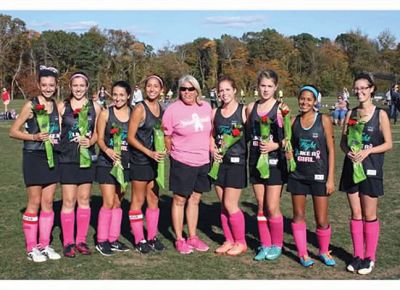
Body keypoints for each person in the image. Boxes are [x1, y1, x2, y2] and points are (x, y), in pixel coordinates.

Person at [339, 73, 392, 275]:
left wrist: (367, 151)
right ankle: (358, 256)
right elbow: (343, 142)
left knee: (369, 215)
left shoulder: (381, 114)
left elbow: (388, 144)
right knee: (355, 214)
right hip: (351, 168)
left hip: (371, 169)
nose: (359, 92)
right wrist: (349, 152)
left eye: (363, 88)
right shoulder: (350, 113)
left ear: (371, 89)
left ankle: (370, 258)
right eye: (357, 88)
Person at [9, 65, 62, 262]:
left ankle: (44, 244)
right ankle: (32, 248)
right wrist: (34, 136)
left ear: (56, 86)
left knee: (48, 203)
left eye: (51, 85)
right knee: (34, 202)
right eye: (44, 85)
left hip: (52, 158)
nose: (48, 88)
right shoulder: (30, 105)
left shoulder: (56, 105)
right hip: (33, 157)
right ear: (39, 85)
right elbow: (13, 131)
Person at [162, 75, 212, 254]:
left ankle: (192, 236)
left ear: (197, 90)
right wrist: (173, 154)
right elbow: (166, 136)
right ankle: (179, 239)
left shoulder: (206, 107)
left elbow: (210, 132)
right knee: (180, 199)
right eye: (183, 89)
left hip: (203, 160)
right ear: (179, 91)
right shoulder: (172, 110)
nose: (187, 92)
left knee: (195, 199)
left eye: (191, 89)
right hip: (182, 160)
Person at [287, 85, 336, 267]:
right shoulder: (292, 121)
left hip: (319, 176)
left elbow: (331, 151)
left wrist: (330, 178)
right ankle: (303, 254)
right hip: (298, 176)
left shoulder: (323, 120)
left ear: (315, 101)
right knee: (298, 215)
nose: (304, 102)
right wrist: (288, 152)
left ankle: (324, 251)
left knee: (321, 219)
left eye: (309, 99)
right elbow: (289, 148)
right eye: (302, 98)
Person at [58, 71, 101, 258]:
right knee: (68, 201)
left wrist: (91, 142)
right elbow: (57, 133)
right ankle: (68, 242)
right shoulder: (62, 107)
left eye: (81, 85)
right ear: (70, 87)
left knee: (84, 200)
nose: (78, 89)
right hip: (67, 159)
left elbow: (99, 133)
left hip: (87, 159)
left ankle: (81, 240)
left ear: (87, 87)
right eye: (75, 85)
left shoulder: (96, 107)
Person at [246, 69, 286, 261]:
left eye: (270, 86)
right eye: (263, 85)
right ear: (257, 86)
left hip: (274, 162)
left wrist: (275, 145)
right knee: (261, 205)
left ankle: (277, 244)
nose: (266, 89)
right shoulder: (250, 107)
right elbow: (246, 135)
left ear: (276, 87)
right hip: (255, 160)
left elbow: (288, 139)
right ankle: (265, 243)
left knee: (272, 205)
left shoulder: (280, 109)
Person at [127, 74, 166, 254]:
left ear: (161, 89)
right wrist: (148, 152)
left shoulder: (161, 109)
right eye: (149, 86)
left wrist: (165, 149)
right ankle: (138, 239)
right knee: (138, 199)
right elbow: (130, 137)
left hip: (154, 161)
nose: (151, 89)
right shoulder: (139, 109)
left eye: (155, 86)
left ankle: (151, 237)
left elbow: (162, 135)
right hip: (140, 160)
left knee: (153, 199)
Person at [95, 81, 132, 256]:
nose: (118, 98)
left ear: (128, 96)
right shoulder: (105, 114)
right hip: (106, 163)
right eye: (115, 95)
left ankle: (113, 238)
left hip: (126, 164)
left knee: (118, 202)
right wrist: (107, 150)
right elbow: (99, 138)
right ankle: (101, 240)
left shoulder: (134, 113)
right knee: (108, 202)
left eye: (121, 95)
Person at [212, 76, 247, 256]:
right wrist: (213, 150)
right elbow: (211, 136)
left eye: (227, 90)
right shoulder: (215, 112)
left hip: (236, 163)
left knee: (230, 203)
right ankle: (228, 240)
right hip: (219, 164)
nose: (224, 93)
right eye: (221, 90)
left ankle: (241, 242)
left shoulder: (243, 111)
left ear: (235, 91)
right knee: (223, 205)